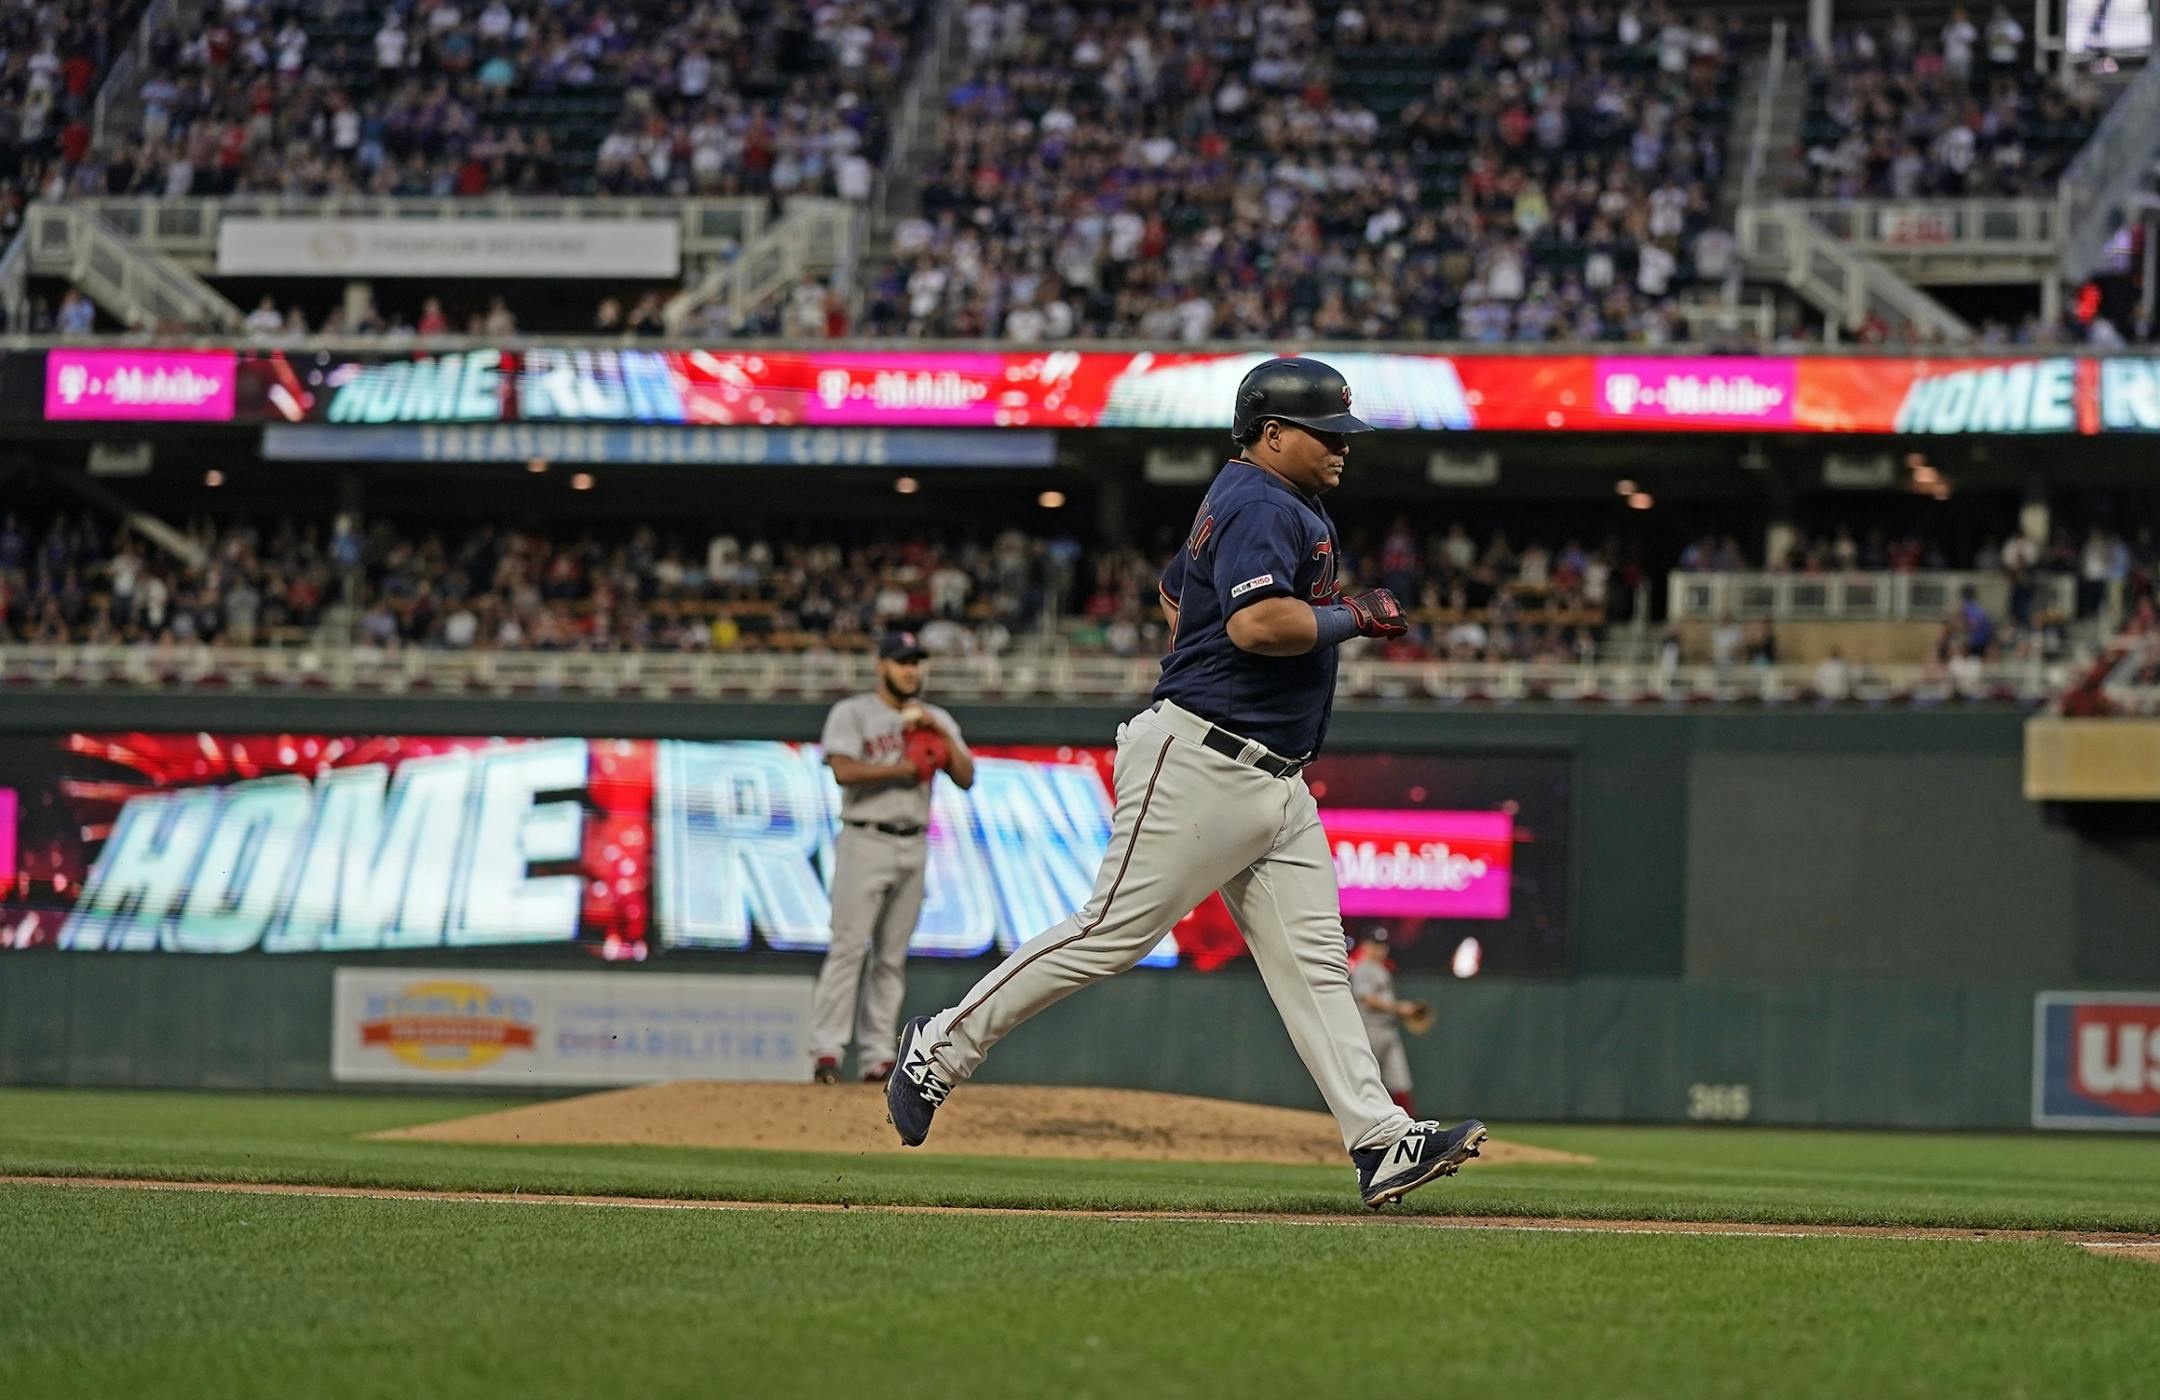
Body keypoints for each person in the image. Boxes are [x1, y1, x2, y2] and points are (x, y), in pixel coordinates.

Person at [884, 357, 1486, 1209]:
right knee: (1109, 935)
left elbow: (1178, 594)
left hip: (1274, 781)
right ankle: (937, 1048)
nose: (1343, 449)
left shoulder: (1266, 497)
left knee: (1316, 966)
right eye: (1328, 434)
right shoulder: (1263, 499)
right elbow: (1255, 622)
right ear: (1272, 434)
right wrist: (1353, 616)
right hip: (1204, 763)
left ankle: (1381, 1141)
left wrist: (1212, 646)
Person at [810, 630, 974, 1083]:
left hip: (914, 842)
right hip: (865, 838)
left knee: (890, 957)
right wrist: (902, 768)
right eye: (902, 661)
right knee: (847, 947)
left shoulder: (934, 718)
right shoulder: (853, 712)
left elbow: (966, 776)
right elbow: (842, 770)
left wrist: (940, 734)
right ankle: (827, 1051)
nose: (911, 669)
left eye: (916, 661)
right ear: (881, 665)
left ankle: (877, 1056)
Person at [1349, 928, 1417, 1116]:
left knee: (1399, 1081)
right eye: (1375, 945)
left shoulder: (1381, 969)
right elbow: (1367, 999)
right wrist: (1398, 1008)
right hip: (1371, 1029)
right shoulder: (1363, 968)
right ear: (1366, 946)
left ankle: (1411, 1127)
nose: (1380, 949)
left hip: (1388, 1029)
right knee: (1364, 1078)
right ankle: (1355, 1120)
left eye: (1382, 945)